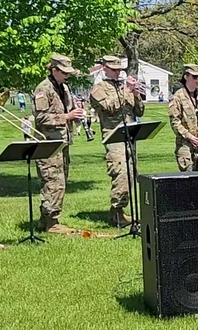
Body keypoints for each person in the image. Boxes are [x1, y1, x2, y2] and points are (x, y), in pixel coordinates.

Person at [89, 54, 145, 227]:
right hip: (113, 136)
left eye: (119, 70)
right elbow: (109, 107)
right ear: (104, 68)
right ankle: (116, 211)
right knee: (120, 173)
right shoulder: (98, 89)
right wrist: (126, 91)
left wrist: (136, 95)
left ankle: (123, 209)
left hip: (129, 135)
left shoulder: (123, 86)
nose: (117, 73)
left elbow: (139, 111)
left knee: (130, 174)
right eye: (114, 70)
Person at [32, 54, 84, 234]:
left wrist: (75, 114)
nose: (67, 76)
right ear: (54, 70)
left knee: (60, 181)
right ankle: (51, 223)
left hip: (62, 143)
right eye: (64, 72)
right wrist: (66, 117)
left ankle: (45, 220)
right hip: (48, 144)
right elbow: (40, 117)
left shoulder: (64, 88)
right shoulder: (43, 89)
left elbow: (67, 110)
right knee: (53, 182)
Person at [168, 64, 198, 172]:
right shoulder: (177, 97)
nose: (197, 80)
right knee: (189, 182)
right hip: (186, 145)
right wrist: (190, 137)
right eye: (194, 77)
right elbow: (175, 122)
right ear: (186, 76)